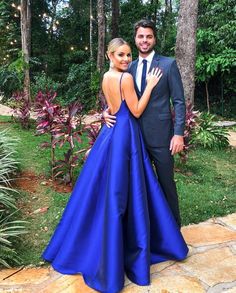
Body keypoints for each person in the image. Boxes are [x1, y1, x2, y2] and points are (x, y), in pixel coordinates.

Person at [42, 38, 188, 293]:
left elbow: (111, 107)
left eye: (128, 55)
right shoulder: (125, 78)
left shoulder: (106, 77)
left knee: (105, 188)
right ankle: (126, 243)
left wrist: (105, 114)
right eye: (120, 55)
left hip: (110, 134)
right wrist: (151, 85)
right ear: (110, 55)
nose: (125, 59)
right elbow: (137, 110)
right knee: (125, 189)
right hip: (125, 135)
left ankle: (96, 242)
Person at [104, 19, 186, 227]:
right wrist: (105, 112)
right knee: (139, 186)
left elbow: (178, 101)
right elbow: (120, 97)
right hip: (134, 137)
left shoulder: (168, 65)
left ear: (154, 39)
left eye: (148, 36)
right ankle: (148, 229)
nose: (144, 40)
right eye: (141, 36)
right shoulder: (126, 66)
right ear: (135, 38)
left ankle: (174, 228)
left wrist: (178, 134)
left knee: (166, 183)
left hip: (161, 137)